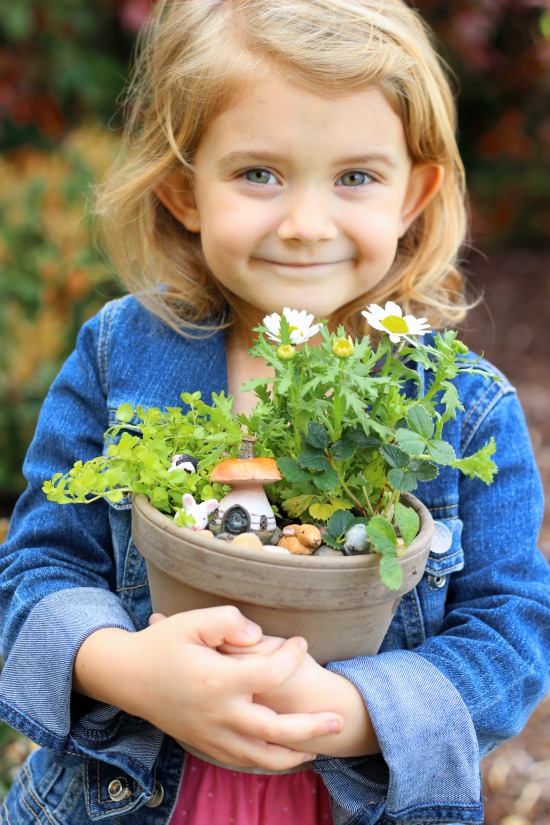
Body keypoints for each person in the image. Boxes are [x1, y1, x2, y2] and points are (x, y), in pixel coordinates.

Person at [1, 0, 549, 822]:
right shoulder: (121, 355)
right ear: (184, 189)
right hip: (128, 795)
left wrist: (349, 709)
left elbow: (510, 635)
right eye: (258, 173)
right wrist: (126, 667)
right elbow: (38, 568)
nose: (304, 224)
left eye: (356, 176)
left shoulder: (461, 409)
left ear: (414, 194)